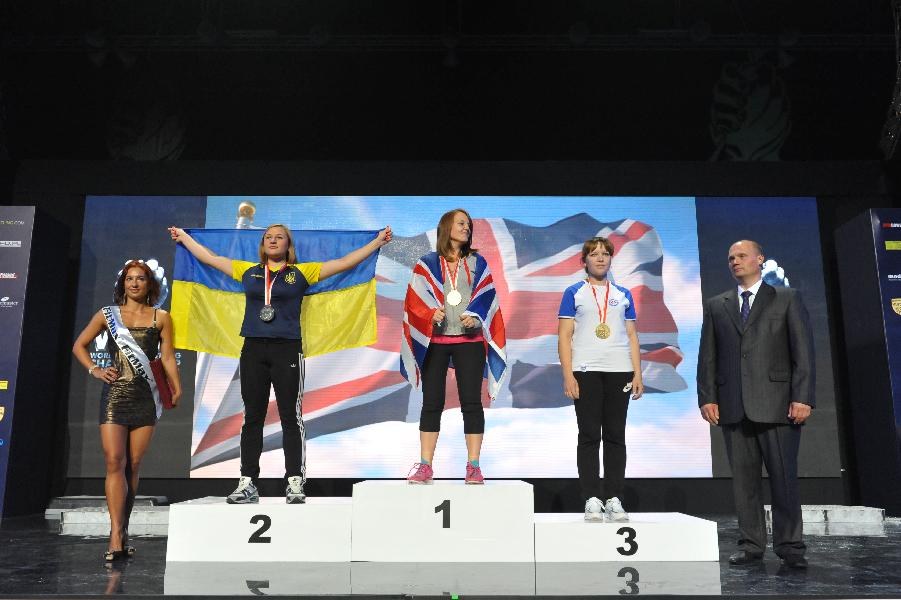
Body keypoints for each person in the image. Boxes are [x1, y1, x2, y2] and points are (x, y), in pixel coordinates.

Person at [169, 223, 392, 504]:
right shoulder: (247, 271)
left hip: (287, 350)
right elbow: (210, 259)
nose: (273, 241)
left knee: (290, 416)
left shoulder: (301, 272)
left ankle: (295, 481)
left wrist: (377, 243)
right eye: (268, 238)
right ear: (263, 245)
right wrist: (185, 237)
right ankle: (248, 482)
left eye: (279, 237)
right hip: (252, 349)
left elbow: (344, 263)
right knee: (252, 417)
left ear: (288, 245)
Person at [697, 240, 814, 569]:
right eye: (730, 257)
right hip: (733, 405)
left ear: (760, 260)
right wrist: (707, 397)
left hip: (778, 405)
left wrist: (803, 396)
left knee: (784, 479)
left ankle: (790, 546)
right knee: (744, 483)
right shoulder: (717, 304)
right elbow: (708, 357)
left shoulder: (786, 298)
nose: (735, 261)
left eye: (742, 256)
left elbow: (803, 352)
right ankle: (751, 544)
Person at [73, 260, 182, 562]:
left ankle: (124, 528)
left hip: (146, 396)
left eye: (141, 279)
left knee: (133, 464)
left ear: (150, 284)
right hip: (115, 396)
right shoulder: (107, 315)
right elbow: (79, 345)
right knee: (113, 462)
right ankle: (115, 533)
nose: (134, 283)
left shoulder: (162, 317)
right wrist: (95, 369)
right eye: (129, 279)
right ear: (122, 284)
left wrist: (176, 386)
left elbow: (169, 357)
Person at [402, 209, 507, 485]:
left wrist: (476, 315)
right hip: (434, 342)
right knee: (431, 403)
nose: (466, 228)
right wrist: (428, 314)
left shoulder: (477, 262)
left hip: (469, 342)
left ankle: (473, 466)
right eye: (461, 224)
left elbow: (487, 297)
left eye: (468, 225)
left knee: (472, 403)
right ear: (447, 227)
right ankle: (425, 466)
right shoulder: (425, 264)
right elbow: (413, 301)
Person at [557, 237, 644, 522]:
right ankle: (592, 498)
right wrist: (567, 374)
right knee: (589, 435)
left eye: (605, 254)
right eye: (594, 254)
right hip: (586, 371)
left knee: (616, 436)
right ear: (584, 260)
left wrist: (638, 373)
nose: (600, 258)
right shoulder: (574, 292)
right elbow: (564, 336)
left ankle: (615, 498)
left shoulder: (623, 294)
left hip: (620, 370)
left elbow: (631, 335)